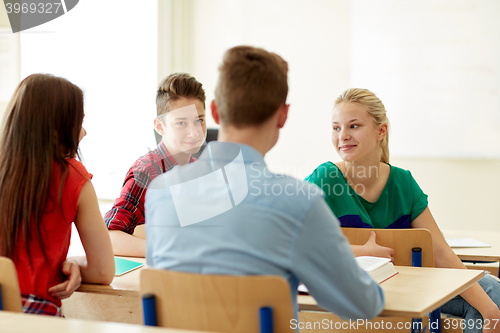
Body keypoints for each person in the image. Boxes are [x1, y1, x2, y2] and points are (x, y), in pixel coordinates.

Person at [145, 46, 384, 320]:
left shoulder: (161, 192)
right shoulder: (298, 202)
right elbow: (362, 306)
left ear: (214, 111)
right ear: (283, 115)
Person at [305, 88, 500, 333]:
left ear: (381, 131)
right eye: (336, 128)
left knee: (491, 290)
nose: (342, 136)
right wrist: (360, 252)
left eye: (353, 126)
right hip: (351, 291)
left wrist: (490, 309)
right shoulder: (325, 178)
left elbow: (440, 253)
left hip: (409, 289)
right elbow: (291, 239)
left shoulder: (403, 182)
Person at [0, 74, 115, 316]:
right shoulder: (72, 176)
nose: (83, 132)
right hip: (34, 318)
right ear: (54, 131)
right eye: (78, 122)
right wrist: (70, 265)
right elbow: (102, 271)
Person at [105, 73, 207, 257]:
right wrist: (170, 249)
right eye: (181, 123)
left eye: (199, 120)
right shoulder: (147, 171)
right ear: (160, 126)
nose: (194, 133)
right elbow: (109, 238)